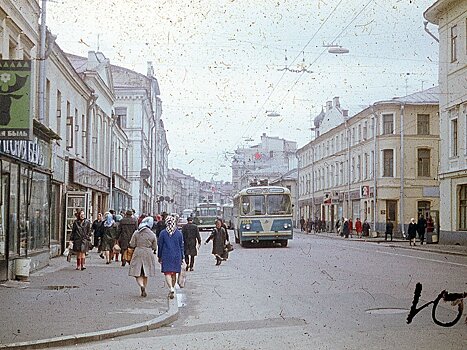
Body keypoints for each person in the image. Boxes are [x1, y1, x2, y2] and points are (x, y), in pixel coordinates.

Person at [128, 216, 158, 297]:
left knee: (137, 272)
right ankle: (144, 287)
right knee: (146, 273)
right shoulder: (152, 234)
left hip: (138, 252)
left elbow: (132, 244)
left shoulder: (136, 232)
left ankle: (141, 285)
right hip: (148, 253)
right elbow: (154, 247)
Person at [157, 215, 184, 299]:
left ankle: (171, 288)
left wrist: (159, 256)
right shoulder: (179, 233)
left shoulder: (163, 233)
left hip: (166, 255)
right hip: (177, 255)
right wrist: (182, 256)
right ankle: (173, 287)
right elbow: (181, 246)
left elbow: (160, 245)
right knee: (174, 273)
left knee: (167, 272)